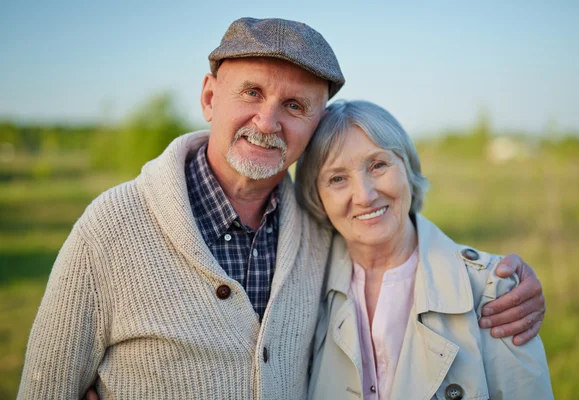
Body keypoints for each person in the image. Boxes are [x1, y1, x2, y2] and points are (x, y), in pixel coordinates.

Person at [18, 18, 546, 399]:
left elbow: (397, 251)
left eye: (294, 105)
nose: (267, 122)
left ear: (316, 123)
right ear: (209, 97)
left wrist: (505, 280)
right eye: (251, 92)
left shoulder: (319, 230)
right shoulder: (111, 228)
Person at [296, 100, 553, 399]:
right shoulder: (304, 290)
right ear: (317, 196)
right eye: (337, 178)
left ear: (407, 167)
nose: (364, 196)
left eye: (378, 165)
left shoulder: (493, 290)